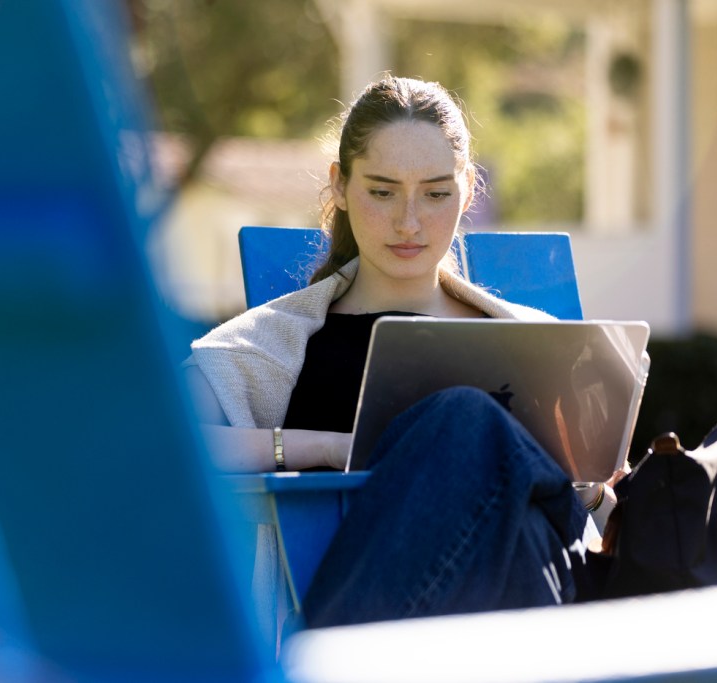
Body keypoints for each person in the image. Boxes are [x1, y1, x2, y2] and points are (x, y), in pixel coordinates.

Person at [182, 75, 626, 631]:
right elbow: (157, 443)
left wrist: (596, 479)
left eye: (436, 193)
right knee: (465, 420)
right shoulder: (275, 344)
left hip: (508, 613)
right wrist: (323, 447)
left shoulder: (535, 340)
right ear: (340, 186)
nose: (409, 222)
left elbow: (593, 515)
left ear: (467, 189)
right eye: (383, 191)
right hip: (382, 622)